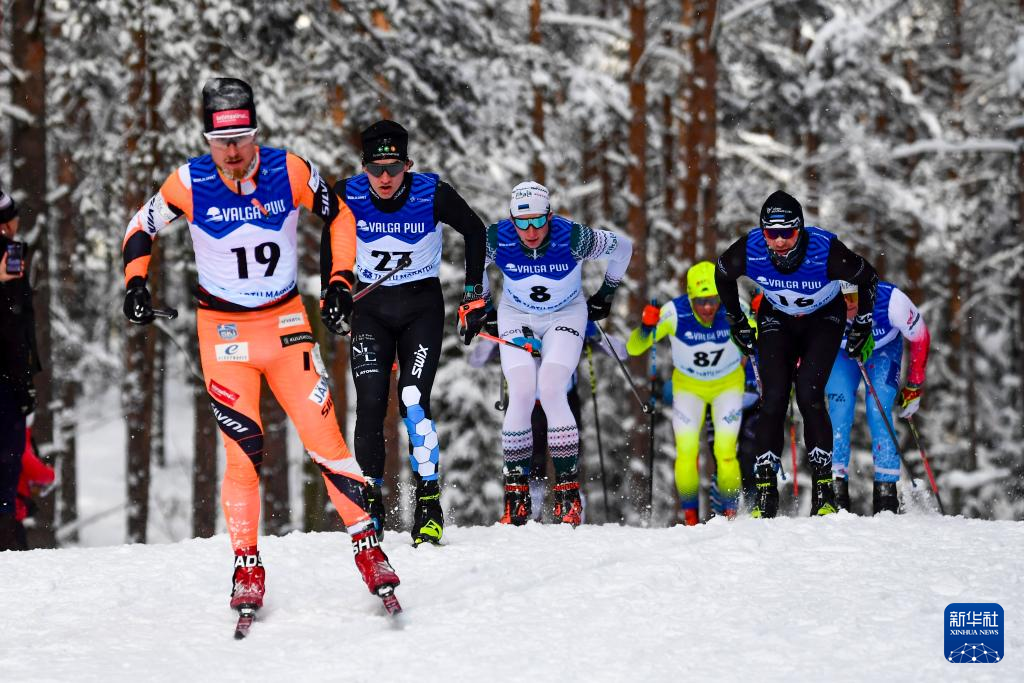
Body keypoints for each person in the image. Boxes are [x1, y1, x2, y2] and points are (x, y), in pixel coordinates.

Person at [120, 78, 399, 616]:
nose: (231, 152)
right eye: (220, 141)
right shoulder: (189, 182)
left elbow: (340, 214)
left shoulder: (288, 170)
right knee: (243, 452)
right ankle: (246, 565)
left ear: (256, 134)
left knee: (325, 439)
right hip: (224, 335)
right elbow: (140, 226)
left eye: (241, 139)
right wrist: (135, 283)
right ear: (207, 140)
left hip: (286, 324)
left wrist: (340, 280)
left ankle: (369, 550)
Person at [323, 120, 487, 546]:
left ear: (407, 165)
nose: (384, 178)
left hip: (420, 310)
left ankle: (428, 503)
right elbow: (331, 235)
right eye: (375, 169)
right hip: (370, 312)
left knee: (413, 401)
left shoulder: (431, 193)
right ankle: (370, 503)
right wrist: (332, 291)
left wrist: (474, 295)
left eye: (393, 169)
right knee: (370, 404)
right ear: (363, 167)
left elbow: (475, 230)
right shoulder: (347, 193)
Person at [715, 190, 878, 518]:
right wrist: (737, 321)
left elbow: (868, 278)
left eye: (787, 233)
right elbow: (722, 274)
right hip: (777, 319)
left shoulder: (826, 252)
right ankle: (765, 492)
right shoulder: (750, 249)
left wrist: (863, 322)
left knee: (809, 394)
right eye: (771, 233)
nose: (778, 241)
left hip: (823, 319)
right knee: (773, 398)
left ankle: (823, 491)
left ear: (799, 229)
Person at [483, 181, 632, 526]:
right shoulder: (496, 237)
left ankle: (568, 495)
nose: (531, 231)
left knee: (551, 387)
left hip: (565, 314)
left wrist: (606, 293)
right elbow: (473, 258)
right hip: (516, 315)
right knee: (522, 389)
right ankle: (516, 497)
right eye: (522, 224)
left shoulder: (575, 238)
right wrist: (483, 304)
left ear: (550, 216)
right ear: (511, 221)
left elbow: (624, 247)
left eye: (538, 221)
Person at [626, 261, 746, 524]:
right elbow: (634, 348)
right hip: (689, 388)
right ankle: (690, 518)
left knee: (726, 452)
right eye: (700, 302)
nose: (708, 308)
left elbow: (762, 338)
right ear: (690, 298)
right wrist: (646, 327)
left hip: (727, 385)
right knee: (687, 451)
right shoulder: (674, 313)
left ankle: (731, 515)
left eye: (713, 300)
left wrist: (760, 315)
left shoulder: (735, 306)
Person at [826, 280, 930, 513]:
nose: (848, 304)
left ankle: (886, 494)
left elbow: (921, 336)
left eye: (853, 297)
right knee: (839, 409)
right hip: (841, 353)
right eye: (842, 298)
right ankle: (835, 490)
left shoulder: (892, 301)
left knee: (878, 408)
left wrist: (914, 386)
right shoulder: (823, 298)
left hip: (883, 350)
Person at [0, 181, 39, 552]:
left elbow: (20, 326)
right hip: (6, 380)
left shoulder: (13, 258)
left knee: (9, 462)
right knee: (6, 461)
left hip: (10, 378)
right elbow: (14, 327)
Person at [14, 425, 55, 551]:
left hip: (12, 509)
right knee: (16, 555)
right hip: (11, 511)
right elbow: (36, 472)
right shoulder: (17, 439)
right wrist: (50, 472)